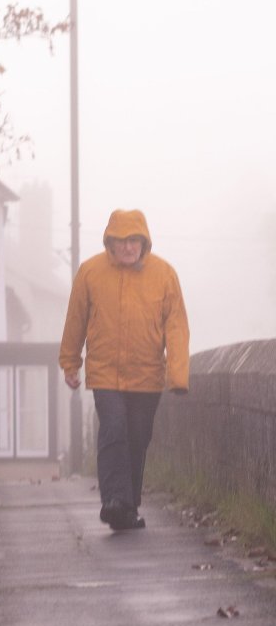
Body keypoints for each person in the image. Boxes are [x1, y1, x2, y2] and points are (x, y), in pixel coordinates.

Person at [59, 208, 190, 530]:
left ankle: (127, 508)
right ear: (110, 243)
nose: (128, 247)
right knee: (114, 431)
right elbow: (76, 318)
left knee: (137, 439)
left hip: (147, 376)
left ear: (144, 241)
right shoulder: (90, 272)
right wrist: (70, 362)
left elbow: (176, 326)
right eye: (121, 242)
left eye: (134, 241)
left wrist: (177, 373)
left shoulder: (164, 274)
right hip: (106, 374)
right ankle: (114, 501)